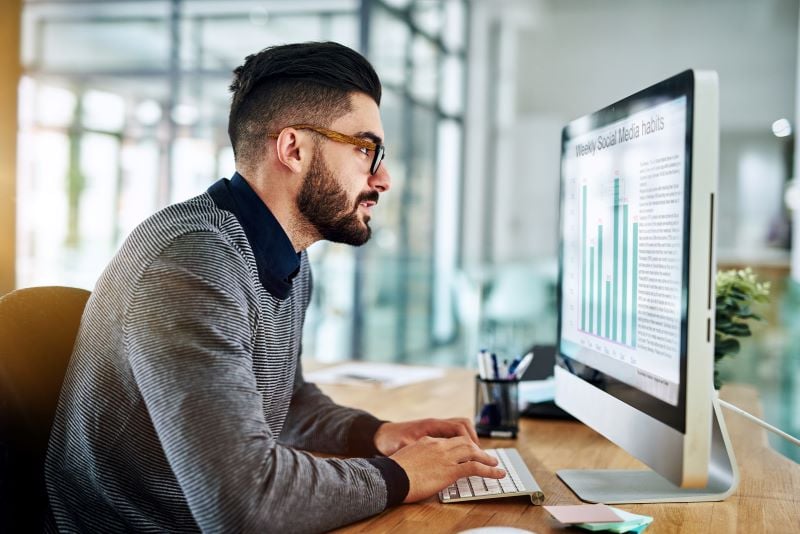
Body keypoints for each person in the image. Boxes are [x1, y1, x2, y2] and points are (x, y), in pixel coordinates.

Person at [44, 41, 505, 533]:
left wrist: (377, 434)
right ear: (293, 148)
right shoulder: (191, 263)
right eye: (365, 149)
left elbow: (287, 400)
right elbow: (245, 503)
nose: (383, 177)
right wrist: (399, 476)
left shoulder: (288, 257)